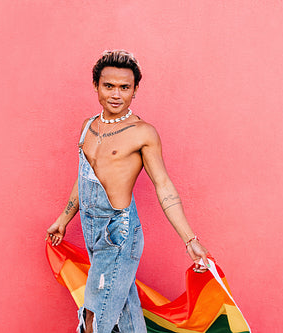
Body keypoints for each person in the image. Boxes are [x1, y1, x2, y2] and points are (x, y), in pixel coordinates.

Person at [46, 50, 209, 333]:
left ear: (135, 90)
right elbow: (85, 178)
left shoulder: (143, 133)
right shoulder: (89, 127)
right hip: (90, 229)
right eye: (109, 86)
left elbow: (164, 186)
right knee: (127, 314)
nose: (116, 94)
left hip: (117, 234)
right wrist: (63, 218)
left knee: (94, 318)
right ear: (96, 86)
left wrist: (190, 240)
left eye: (125, 87)